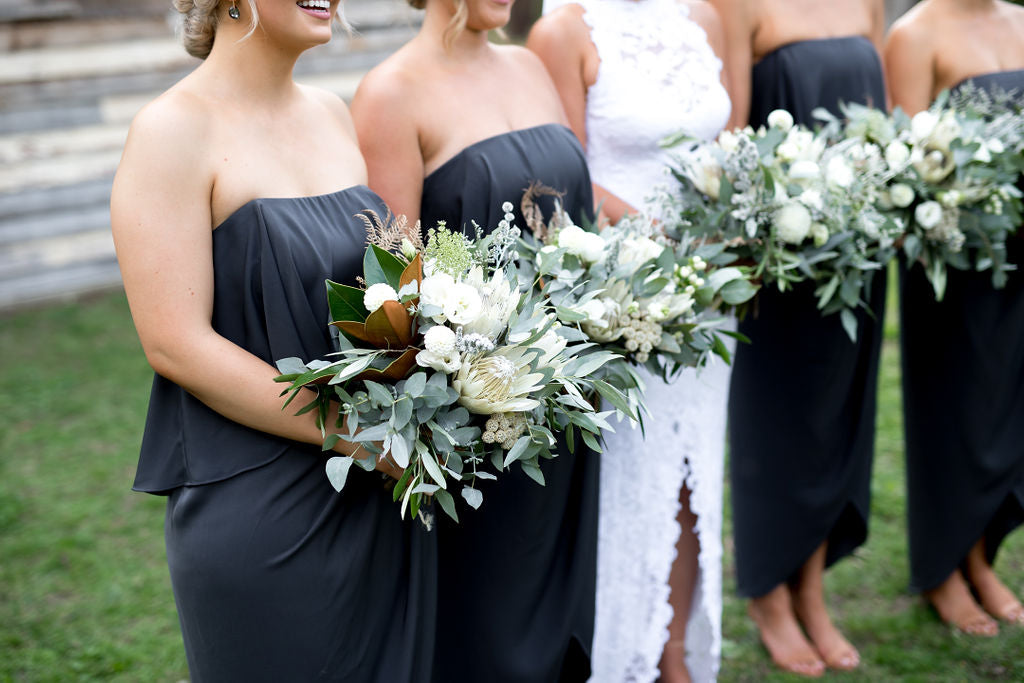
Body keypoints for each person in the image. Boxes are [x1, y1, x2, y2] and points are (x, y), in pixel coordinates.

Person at [110, 1, 436, 680]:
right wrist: (355, 434)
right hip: (264, 506)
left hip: (376, 493)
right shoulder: (171, 130)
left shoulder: (329, 112)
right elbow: (175, 342)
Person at [351, 1, 599, 681]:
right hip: (475, 416)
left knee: (567, 601)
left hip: (567, 391)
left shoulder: (530, 66)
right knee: (489, 623)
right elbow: (392, 289)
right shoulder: (390, 93)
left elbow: (579, 222)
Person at [528, 1, 733, 681]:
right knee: (631, 476)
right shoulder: (563, 31)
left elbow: (725, 142)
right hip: (623, 295)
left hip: (707, 297)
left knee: (688, 475)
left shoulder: (703, 14)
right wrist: (656, 237)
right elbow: (559, 174)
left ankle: (674, 650)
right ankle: (624, 658)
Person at [711, 0, 887, 676]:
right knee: (780, 425)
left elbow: (885, 116)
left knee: (839, 418)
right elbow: (734, 136)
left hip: (859, 251)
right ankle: (767, 593)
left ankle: (811, 590)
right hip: (780, 259)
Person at [884, 0, 1024, 636]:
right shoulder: (914, 34)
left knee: (1006, 412)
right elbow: (902, 171)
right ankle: (945, 569)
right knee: (959, 411)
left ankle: (982, 557)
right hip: (953, 264)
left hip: (1017, 258)